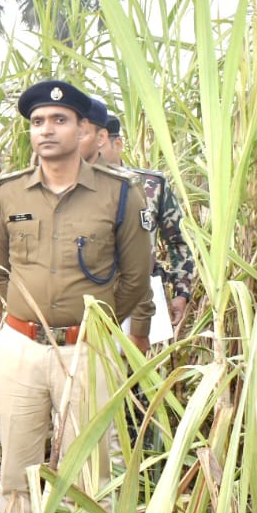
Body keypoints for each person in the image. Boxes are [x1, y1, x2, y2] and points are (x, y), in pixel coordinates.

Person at [0, 80, 152, 513]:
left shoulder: (120, 194)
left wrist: (95, 325)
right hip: (21, 347)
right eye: (38, 121)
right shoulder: (8, 194)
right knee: (17, 464)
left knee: (91, 465)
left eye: (59, 120)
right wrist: (30, 314)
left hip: (87, 350)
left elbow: (136, 277)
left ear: (82, 130)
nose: (47, 129)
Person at [104, 114, 197, 350]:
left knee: (144, 368)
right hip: (93, 294)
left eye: (99, 144)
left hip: (144, 294)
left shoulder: (151, 185)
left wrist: (181, 292)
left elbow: (179, 241)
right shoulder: (76, 188)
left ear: (117, 144)